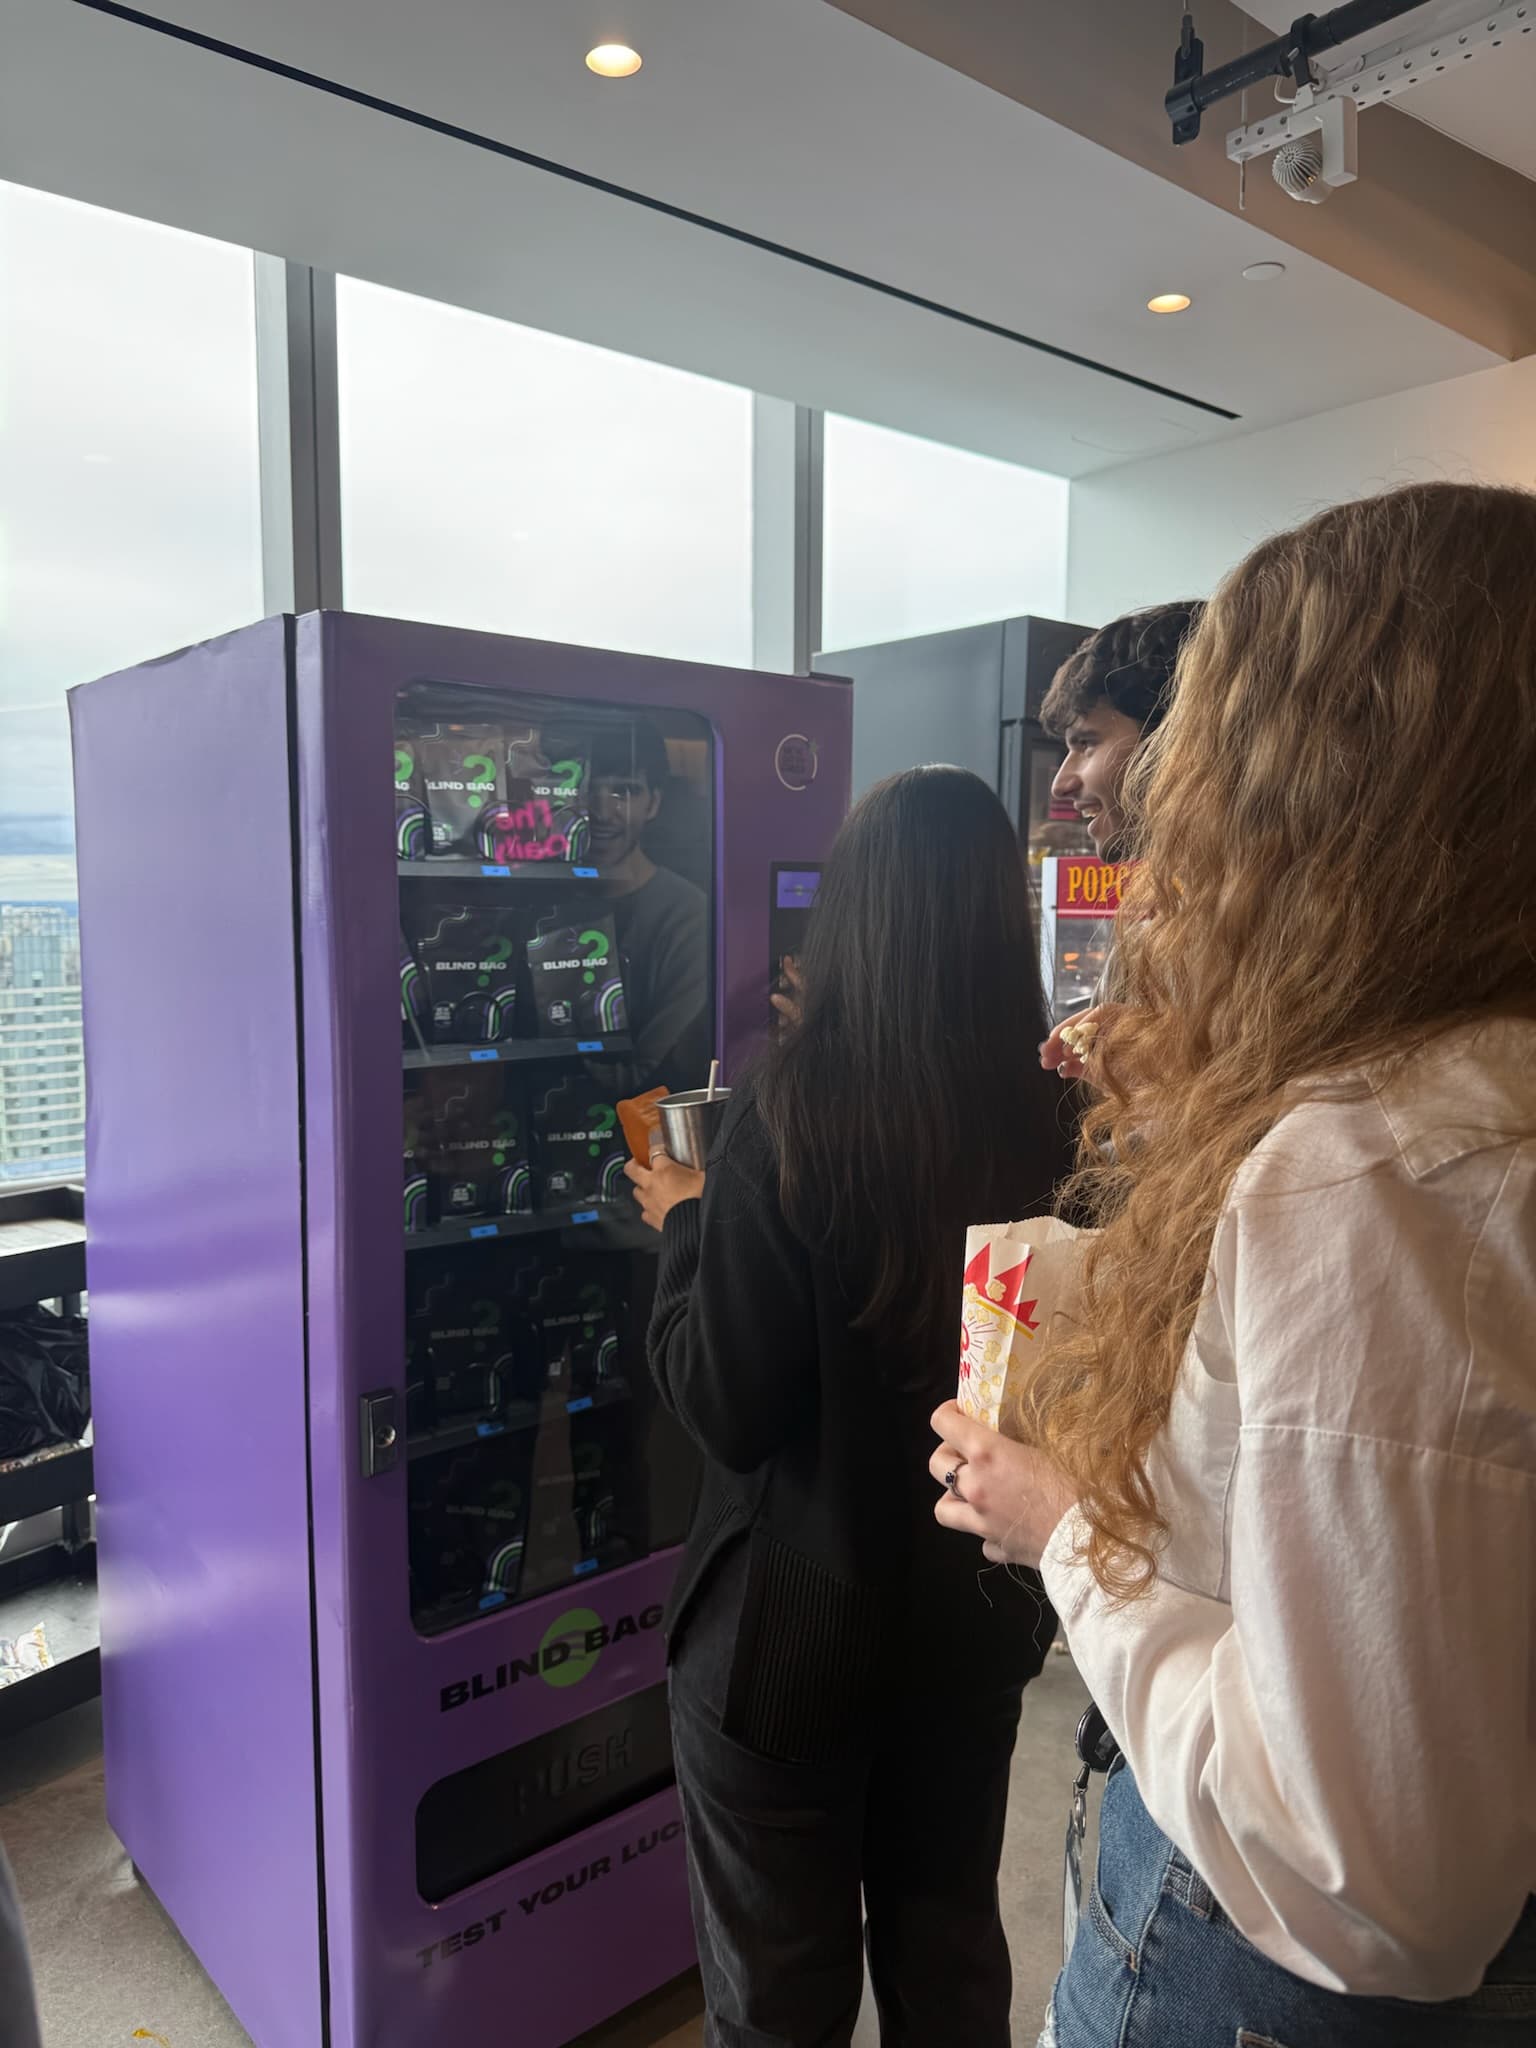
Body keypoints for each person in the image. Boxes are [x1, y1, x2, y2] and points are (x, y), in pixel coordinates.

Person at [932, 480, 1536, 2043]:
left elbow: (1370, 1880)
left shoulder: (1374, 1167)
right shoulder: (1460, 1099)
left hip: (1249, 1975)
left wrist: (1065, 1524)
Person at [627, 767, 1074, 2047]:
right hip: (976, 1621)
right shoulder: (1063, 1120)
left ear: (857, 921)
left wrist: (689, 1224)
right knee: (948, 1955)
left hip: (788, 1640)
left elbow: (728, 1400)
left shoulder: (787, 1113)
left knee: (780, 1995)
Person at [1036, 602, 1201, 1080]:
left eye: (1086, 743)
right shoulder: (1166, 902)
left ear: (1172, 742)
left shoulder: (1273, 916)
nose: (1061, 783)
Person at [588, 721, 710, 1095]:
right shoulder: (536, 898)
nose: (601, 811)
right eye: (586, 790)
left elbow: (655, 1078)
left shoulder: (688, 917)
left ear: (654, 803)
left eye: (624, 791)